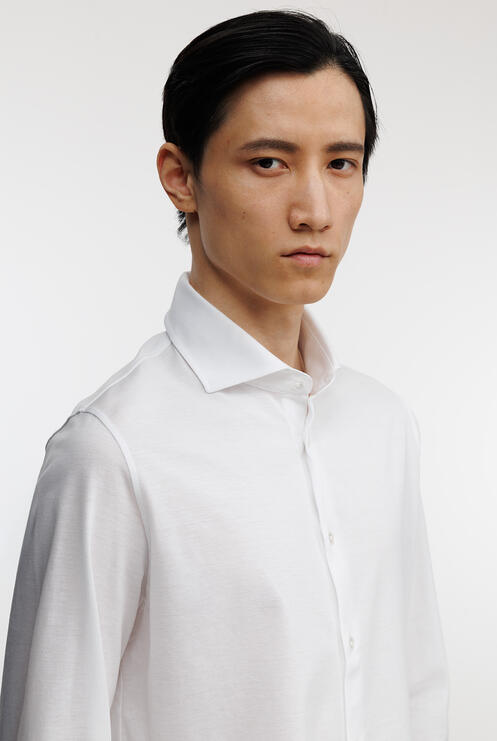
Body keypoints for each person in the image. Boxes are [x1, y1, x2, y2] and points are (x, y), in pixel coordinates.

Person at [0, 9, 449, 740]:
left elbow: (417, 691)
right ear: (180, 178)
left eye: (341, 163)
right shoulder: (112, 449)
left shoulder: (382, 424)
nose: (315, 210)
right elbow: (53, 721)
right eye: (269, 162)